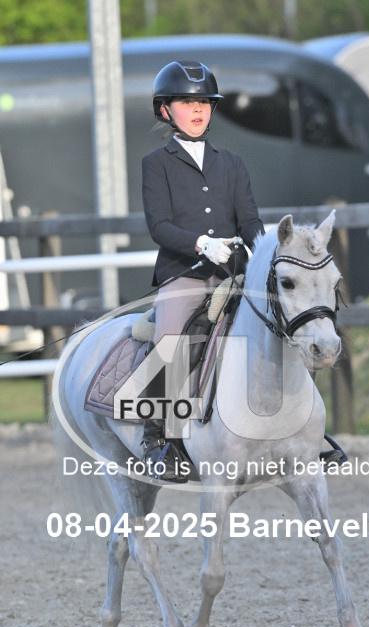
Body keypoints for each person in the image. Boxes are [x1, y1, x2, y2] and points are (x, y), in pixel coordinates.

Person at [140, 60, 264, 481]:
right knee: (170, 336)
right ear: (165, 110)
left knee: (284, 324)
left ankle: (305, 429)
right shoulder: (156, 164)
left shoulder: (232, 163)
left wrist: (264, 250)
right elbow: (159, 226)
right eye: (186, 102)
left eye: (204, 103)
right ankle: (161, 437)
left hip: (233, 273)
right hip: (185, 273)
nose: (197, 110)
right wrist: (201, 243)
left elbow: (249, 220)